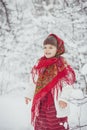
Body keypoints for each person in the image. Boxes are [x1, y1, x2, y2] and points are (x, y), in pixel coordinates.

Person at [25, 34, 76, 130]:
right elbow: (34, 81)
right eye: (45, 47)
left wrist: (63, 99)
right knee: (41, 123)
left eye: (51, 47)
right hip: (41, 101)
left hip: (55, 101)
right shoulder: (41, 63)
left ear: (58, 49)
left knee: (55, 124)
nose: (47, 50)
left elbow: (67, 85)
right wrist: (28, 94)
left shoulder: (61, 65)